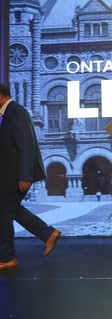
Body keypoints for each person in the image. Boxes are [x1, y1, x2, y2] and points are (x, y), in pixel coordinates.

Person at [0, 83, 61, 271]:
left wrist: (24, 176)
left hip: (15, 176)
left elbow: (26, 145)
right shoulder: (10, 112)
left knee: (3, 215)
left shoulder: (15, 111)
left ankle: (8, 257)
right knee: (11, 210)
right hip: (10, 175)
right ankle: (48, 233)